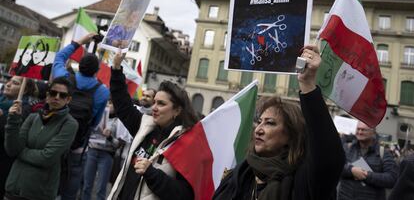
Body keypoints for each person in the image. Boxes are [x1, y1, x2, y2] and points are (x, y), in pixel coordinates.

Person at [213, 44, 345, 200]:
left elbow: (328, 156)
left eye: (270, 123)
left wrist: (308, 84)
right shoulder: (239, 176)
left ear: (291, 135)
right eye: (259, 122)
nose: (258, 130)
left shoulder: (303, 181)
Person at [107, 51, 199, 200]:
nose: (154, 107)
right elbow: (123, 104)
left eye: (161, 104)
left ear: (177, 110)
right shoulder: (145, 125)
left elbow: (184, 195)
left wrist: (151, 173)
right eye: (154, 102)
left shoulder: (185, 144)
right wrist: (117, 69)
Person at [52, 33, 110, 200]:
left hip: (53, 138)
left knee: (49, 182)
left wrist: (80, 42)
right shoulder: (102, 91)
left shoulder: (63, 79)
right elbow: (95, 121)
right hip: (77, 144)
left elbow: (59, 57)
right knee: (71, 186)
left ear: (79, 65)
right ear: (96, 71)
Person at [3, 77, 78, 200]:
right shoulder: (33, 117)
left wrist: (21, 152)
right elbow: (12, 150)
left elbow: (47, 157)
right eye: (53, 93)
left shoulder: (70, 124)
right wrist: (13, 121)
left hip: (39, 193)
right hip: (13, 189)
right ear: (47, 95)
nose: (57, 97)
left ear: (68, 99)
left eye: (62, 95)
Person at [337, 121, 398, 200]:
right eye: (358, 129)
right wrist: (351, 170)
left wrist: (366, 175)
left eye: (363, 130)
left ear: (373, 132)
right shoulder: (347, 148)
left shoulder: (383, 153)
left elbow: (391, 179)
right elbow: (336, 168)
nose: (360, 132)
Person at [81, 99, 128, 200]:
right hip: (92, 151)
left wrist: (110, 137)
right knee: (87, 184)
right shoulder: (97, 116)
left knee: (101, 187)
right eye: (108, 103)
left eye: (112, 104)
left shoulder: (118, 122)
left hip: (106, 155)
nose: (109, 106)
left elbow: (117, 145)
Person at [0, 76, 35, 199]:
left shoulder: (25, 110)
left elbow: (14, 137)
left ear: (24, 90)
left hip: (5, 163)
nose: (8, 84)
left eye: (14, 83)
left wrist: (4, 117)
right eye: (9, 81)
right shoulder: (1, 100)